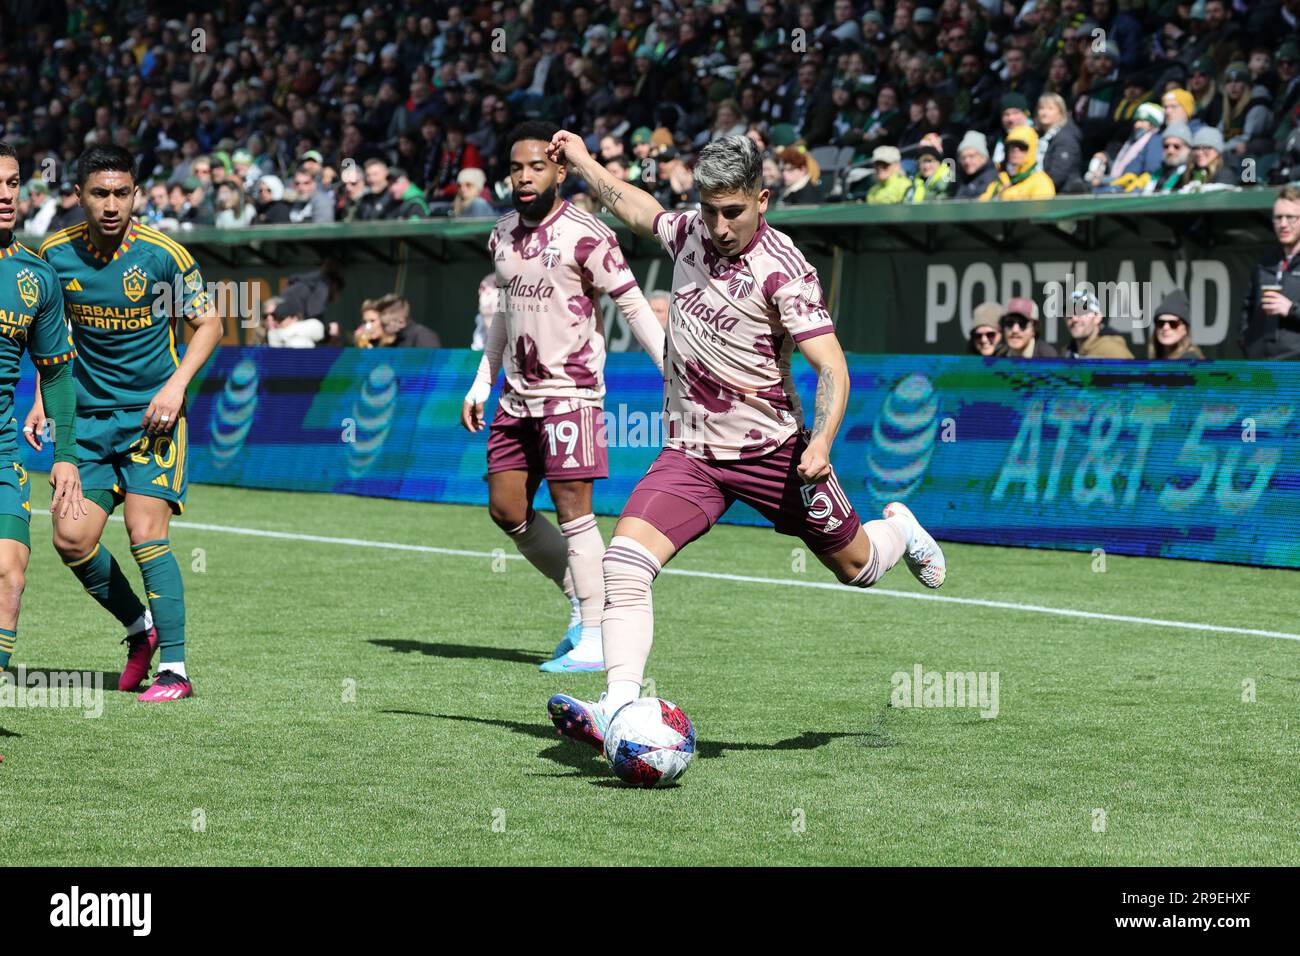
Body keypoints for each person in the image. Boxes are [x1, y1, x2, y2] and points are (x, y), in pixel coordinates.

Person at [540, 131, 946, 758]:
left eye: (733, 211)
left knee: (858, 569)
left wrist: (823, 444)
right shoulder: (690, 234)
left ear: (761, 201)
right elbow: (635, 204)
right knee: (624, 564)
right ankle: (617, 707)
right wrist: (586, 162)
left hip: (775, 453)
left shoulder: (784, 270)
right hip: (691, 454)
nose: (720, 225)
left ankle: (903, 531)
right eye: (709, 210)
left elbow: (833, 368)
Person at [461, 121, 665, 675]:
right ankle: (581, 602)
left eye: (536, 167)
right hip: (516, 397)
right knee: (507, 510)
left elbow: (632, 305)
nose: (524, 177)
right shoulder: (501, 233)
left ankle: (598, 635)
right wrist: (484, 381)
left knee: (575, 513)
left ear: (558, 171)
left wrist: (674, 366)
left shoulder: (588, 233)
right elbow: (501, 314)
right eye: (515, 168)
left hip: (570, 393)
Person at [28, 144, 223, 702]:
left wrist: (176, 385)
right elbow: (49, 335)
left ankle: (176, 670)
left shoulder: (164, 256)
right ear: (80, 196)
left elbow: (207, 323)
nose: (112, 205)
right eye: (99, 193)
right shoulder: (55, 254)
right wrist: (45, 398)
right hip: (86, 421)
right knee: (70, 538)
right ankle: (141, 627)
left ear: (136, 194)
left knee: (145, 534)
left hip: (152, 421)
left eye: (122, 193)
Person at [0, 141, 86, 731]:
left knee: (11, 572)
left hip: (2, 445)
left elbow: (56, 374)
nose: (6, 195)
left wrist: (66, 455)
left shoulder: (36, 276)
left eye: (12, 183)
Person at [1239, 186, 1300, 360]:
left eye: (1291, 218)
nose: (1283, 224)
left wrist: (1291, 309)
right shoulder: (1264, 262)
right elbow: (1247, 309)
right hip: (1262, 369)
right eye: (1278, 217)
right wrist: (1247, 344)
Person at [980, 125, 1056, 201]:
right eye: (1011, 146)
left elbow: (1040, 211)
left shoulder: (1041, 182)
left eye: (1022, 147)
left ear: (1031, 151)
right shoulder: (1000, 178)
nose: (1015, 150)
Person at [1035, 93, 1085, 195]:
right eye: (1041, 108)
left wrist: (1032, 190)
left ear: (1061, 113)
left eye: (1050, 109)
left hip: (1065, 195)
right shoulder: (1039, 137)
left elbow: (1057, 176)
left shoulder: (1066, 138)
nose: (1044, 113)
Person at [1063, 290, 1134, 359]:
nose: (1074, 319)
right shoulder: (1067, 352)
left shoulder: (1113, 351)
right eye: (1069, 313)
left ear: (1097, 317)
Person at [1148, 290, 1204, 360]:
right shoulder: (1158, 356)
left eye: (1173, 323)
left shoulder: (1190, 360)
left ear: (1185, 330)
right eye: (1161, 323)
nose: (1165, 327)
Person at [375, 294, 440, 347]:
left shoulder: (423, 335)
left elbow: (433, 362)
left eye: (385, 325)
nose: (383, 328)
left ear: (401, 319)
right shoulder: (395, 339)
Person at [954, 131, 998, 199]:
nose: (967, 161)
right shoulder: (964, 177)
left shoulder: (991, 177)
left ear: (983, 156)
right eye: (963, 158)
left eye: (971, 156)